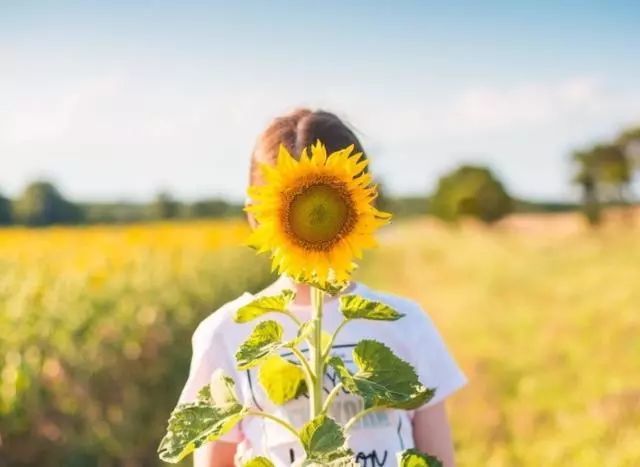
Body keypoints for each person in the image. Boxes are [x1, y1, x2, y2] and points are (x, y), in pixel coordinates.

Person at [178, 109, 467, 467]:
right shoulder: (228, 333)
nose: (314, 215)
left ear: (363, 204)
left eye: (328, 199)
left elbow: (438, 458)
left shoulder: (406, 325)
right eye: (293, 203)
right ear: (256, 214)